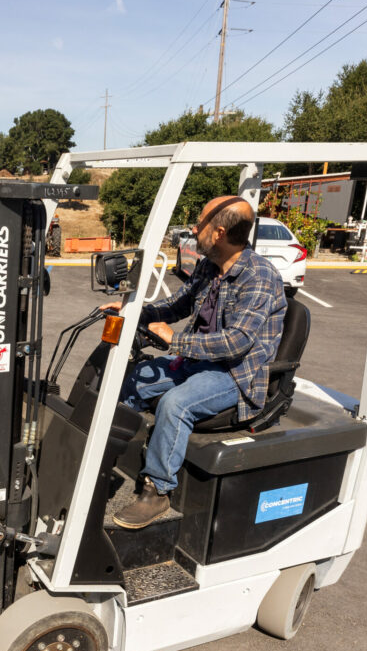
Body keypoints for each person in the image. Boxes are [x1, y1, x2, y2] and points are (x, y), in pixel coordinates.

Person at [103, 195, 287, 529]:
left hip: (235, 373)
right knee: (134, 377)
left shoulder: (259, 277)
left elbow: (236, 342)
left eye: (199, 222)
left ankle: (157, 491)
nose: (193, 228)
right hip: (197, 359)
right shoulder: (209, 267)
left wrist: (175, 340)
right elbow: (176, 305)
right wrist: (133, 312)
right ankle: (107, 458)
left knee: (176, 404)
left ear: (217, 232)